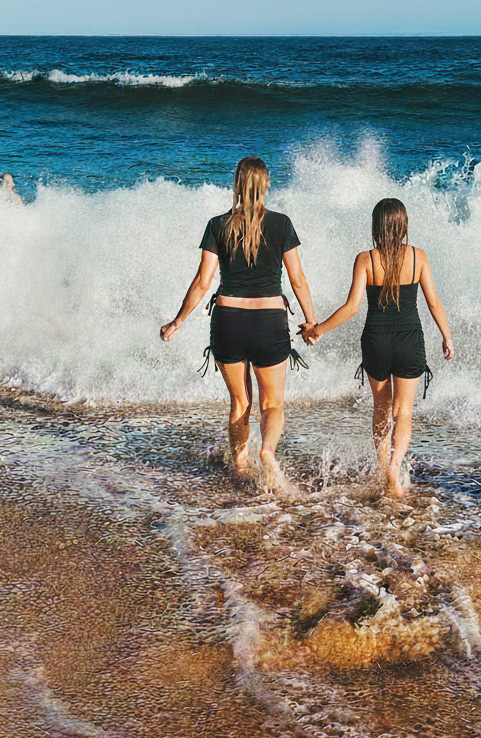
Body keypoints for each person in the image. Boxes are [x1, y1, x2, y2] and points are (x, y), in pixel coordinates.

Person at [160, 156, 316, 493]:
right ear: (266, 185)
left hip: (228, 321)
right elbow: (298, 279)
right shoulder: (282, 224)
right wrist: (311, 321)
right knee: (272, 404)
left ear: (236, 185)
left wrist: (178, 321)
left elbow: (203, 282)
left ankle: (241, 469)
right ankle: (267, 450)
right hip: (270, 321)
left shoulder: (217, 225)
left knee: (240, 403)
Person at [300, 198, 453, 497]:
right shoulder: (419, 257)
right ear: (404, 226)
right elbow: (434, 301)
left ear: (375, 227)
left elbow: (352, 307)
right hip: (410, 340)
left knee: (381, 410)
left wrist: (318, 330)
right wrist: (446, 336)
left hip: (376, 341)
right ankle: (395, 464)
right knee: (404, 411)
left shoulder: (366, 259)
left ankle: (385, 470)